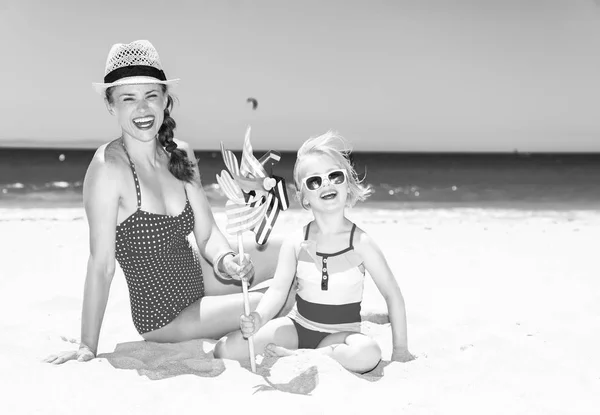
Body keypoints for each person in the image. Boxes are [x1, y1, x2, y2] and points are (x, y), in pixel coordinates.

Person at [45, 40, 270, 365]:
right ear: (111, 105)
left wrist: (227, 261)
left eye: (151, 95)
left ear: (165, 99)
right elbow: (101, 265)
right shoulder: (108, 171)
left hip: (202, 277)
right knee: (274, 297)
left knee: (293, 256)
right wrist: (87, 346)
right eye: (128, 98)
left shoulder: (181, 152)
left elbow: (207, 235)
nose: (142, 108)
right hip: (167, 316)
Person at [214, 131, 414, 373]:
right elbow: (278, 291)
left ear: (347, 185)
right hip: (297, 328)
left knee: (368, 353)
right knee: (225, 349)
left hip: (341, 336)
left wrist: (400, 350)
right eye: (314, 181)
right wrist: (258, 317)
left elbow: (392, 295)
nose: (326, 183)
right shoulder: (296, 241)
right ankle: (302, 353)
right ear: (304, 197)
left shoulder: (361, 243)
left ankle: (307, 356)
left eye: (335, 176)